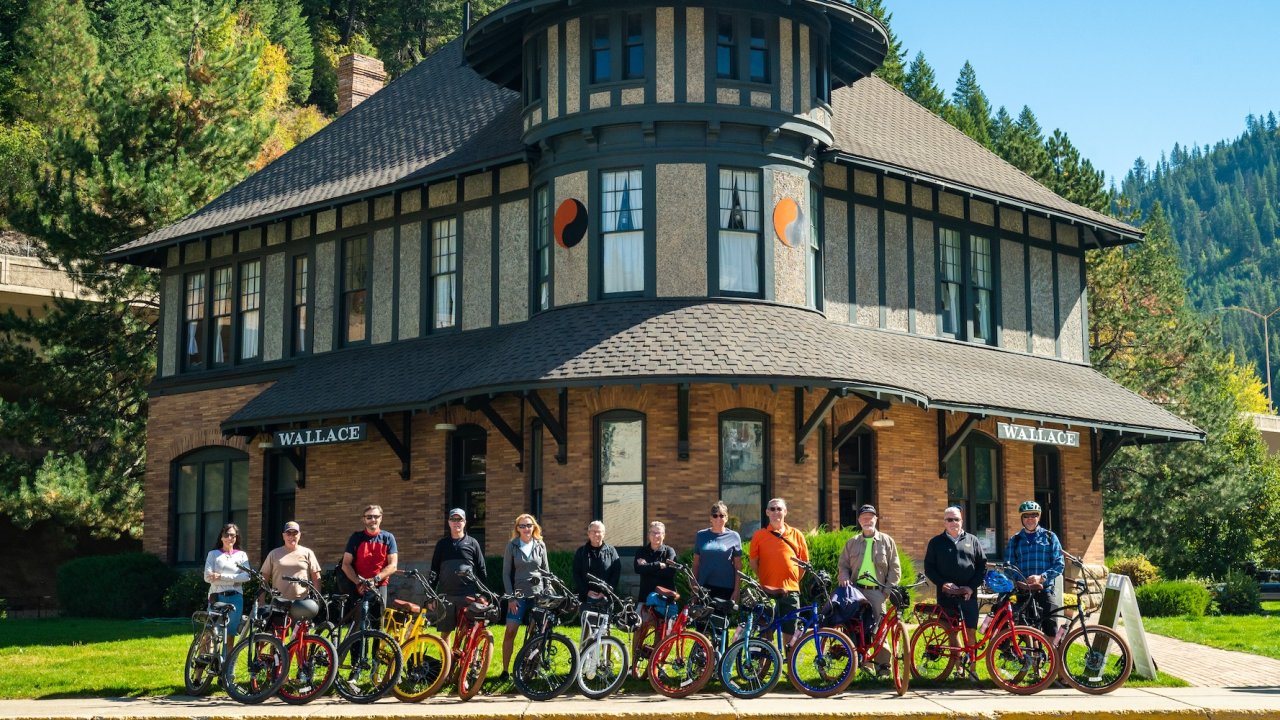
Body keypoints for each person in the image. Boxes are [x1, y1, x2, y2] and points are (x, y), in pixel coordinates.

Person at [924, 506, 986, 647]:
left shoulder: (973, 540)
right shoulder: (936, 542)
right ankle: (958, 667)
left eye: (956, 519)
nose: (953, 522)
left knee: (971, 630)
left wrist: (971, 587)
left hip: (968, 595)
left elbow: (982, 566)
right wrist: (943, 583)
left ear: (961, 521)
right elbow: (929, 568)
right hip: (946, 595)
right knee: (951, 631)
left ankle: (972, 666)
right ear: (944, 522)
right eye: (949, 519)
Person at [749, 497, 809, 644]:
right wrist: (764, 578)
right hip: (767, 591)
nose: (776, 512)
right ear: (767, 512)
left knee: (790, 634)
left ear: (785, 512)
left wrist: (792, 580)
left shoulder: (797, 535)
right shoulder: (759, 535)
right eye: (773, 509)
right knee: (765, 633)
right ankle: (764, 666)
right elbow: (753, 563)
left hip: (791, 591)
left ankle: (788, 666)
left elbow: (804, 565)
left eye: (779, 509)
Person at [1004, 500, 1064, 639]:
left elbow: (1059, 564)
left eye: (1034, 515)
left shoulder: (1050, 537)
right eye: (1026, 516)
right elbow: (1008, 566)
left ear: (1039, 517)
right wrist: (1022, 580)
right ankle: (1027, 657)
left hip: (1044, 589)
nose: (1030, 519)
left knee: (1051, 626)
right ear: (1022, 518)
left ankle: (1053, 656)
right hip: (1023, 590)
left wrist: (1041, 577)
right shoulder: (1016, 540)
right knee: (1020, 628)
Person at [500, 513, 549, 680]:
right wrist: (511, 598)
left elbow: (546, 572)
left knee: (535, 632)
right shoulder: (512, 546)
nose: (526, 528)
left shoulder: (540, 545)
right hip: (518, 595)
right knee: (510, 630)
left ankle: (530, 669)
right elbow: (506, 574)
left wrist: (547, 592)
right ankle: (505, 670)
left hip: (538, 594)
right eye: (522, 526)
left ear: (534, 526)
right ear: (517, 528)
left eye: (529, 525)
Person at [430, 507, 487, 645]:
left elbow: (481, 570)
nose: (456, 523)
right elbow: (434, 571)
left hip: (467, 596)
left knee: (465, 632)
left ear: (465, 522)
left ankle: (462, 662)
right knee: (445, 634)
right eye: (453, 519)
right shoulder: (442, 544)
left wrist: (484, 594)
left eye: (459, 519)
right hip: (446, 596)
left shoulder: (473, 543)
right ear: (449, 522)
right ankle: (448, 663)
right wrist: (431, 596)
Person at [342, 504, 398, 631]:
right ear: (363, 519)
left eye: (376, 516)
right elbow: (346, 564)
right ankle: (357, 651)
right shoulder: (356, 538)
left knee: (378, 625)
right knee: (357, 625)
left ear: (381, 518)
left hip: (379, 585)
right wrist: (358, 582)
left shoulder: (388, 538)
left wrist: (375, 579)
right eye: (369, 517)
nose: (373, 519)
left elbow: (393, 565)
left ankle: (375, 651)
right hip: (358, 586)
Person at [633, 521, 677, 665]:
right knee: (638, 629)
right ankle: (634, 663)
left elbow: (670, 573)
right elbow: (638, 569)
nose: (656, 535)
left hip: (664, 601)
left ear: (663, 535)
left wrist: (648, 567)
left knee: (661, 632)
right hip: (645, 599)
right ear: (649, 535)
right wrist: (659, 565)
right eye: (653, 532)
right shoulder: (641, 551)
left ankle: (656, 664)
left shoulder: (669, 552)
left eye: (659, 533)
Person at [204, 523, 250, 637]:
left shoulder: (242, 555)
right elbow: (207, 577)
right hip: (217, 596)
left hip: (236, 598)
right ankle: (204, 655)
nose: (230, 538)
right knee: (211, 632)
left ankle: (228, 656)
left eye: (233, 535)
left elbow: (247, 577)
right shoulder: (213, 554)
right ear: (221, 537)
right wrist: (235, 580)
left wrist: (220, 577)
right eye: (227, 534)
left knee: (230, 633)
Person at [259, 521, 323, 601]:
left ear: (299, 535)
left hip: (302, 602)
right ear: (283, 536)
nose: (291, 536)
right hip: (278, 601)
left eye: (295, 533)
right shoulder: (274, 554)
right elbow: (264, 578)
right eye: (288, 533)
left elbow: (316, 577)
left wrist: (317, 599)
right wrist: (261, 601)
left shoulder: (308, 553)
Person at [692, 501, 742, 602]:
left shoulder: (734, 536)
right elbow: (696, 563)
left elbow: (738, 566)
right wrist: (694, 587)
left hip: (726, 587)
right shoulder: (701, 535)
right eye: (715, 516)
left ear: (726, 518)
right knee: (703, 617)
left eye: (722, 516)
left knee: (721, 618)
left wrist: (737, 590)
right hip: (704, 586)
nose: (718, 518)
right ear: (710, 518)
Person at [572, 520, 620, 605]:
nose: (596, 534)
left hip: (605, 598)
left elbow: (616, 574)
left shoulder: (611, 551)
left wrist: (605, 592)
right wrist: (586, 591)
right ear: (588, 533)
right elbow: (576, 573)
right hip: (585, 598)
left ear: (604, 534)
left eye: (599, 531)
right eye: (593, 531)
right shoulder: (581, 551)